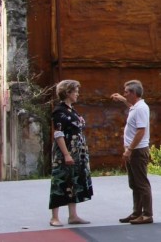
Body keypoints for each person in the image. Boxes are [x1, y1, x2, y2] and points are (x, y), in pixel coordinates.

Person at [49, 79, 93, 227]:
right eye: (75, 91)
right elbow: (58, 133)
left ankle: (73, 215)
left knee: (73, 181)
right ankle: (54, 217)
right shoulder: (59, 111)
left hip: (76, 152)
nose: (78, 94)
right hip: (65, 152)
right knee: (60, 181)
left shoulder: (71, 110)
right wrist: (66, 154)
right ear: (67, 93)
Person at [111, 79, 153, 225]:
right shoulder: (136, 106)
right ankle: (137, 212)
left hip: (137, 151)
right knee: (134, 183)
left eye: (126, 92)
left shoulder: (141, 108)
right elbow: (131, 107)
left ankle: (147, 214)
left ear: (134, 93)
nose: (124, 93)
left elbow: (141, 131)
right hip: (133, 150)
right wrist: (123, 100)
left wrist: (129, 150)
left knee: (141, 183)